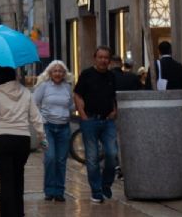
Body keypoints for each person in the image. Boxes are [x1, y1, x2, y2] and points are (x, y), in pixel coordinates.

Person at [0, 67, 46, 217]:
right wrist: (42, 137)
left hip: (1, 140)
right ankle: (19, 212)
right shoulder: (26, 93)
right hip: (22, 140)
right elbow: (36, 117)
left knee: (5, 180)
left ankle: (7, 213)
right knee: (18, 176)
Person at [73, 46, 119, 203]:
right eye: (100, 57)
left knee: (112, 154)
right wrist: (83, 115)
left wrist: (114, 110)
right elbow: (77, 94)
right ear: (95, 58)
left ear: (110, 60)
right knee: (92, 158)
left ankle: (106, 185)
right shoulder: (86, 74)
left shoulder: (112, 76)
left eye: (106, 58)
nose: (103, 60)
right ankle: (96, 190)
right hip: (90, 120)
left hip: (108, 121)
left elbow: (114, 96)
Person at [33, 60, 74, 202]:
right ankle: (49, 190)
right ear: (50, 73)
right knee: (50, 158)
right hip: (47, 128)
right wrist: (39, 120)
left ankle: (59, 191)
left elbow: (71, 105)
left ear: (64, 73)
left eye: (60, 71)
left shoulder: (67, 87)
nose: (58, 73)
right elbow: (34, 103)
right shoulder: (43, 86)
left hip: (64, 128)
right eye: (55, 71)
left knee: (61, 160)